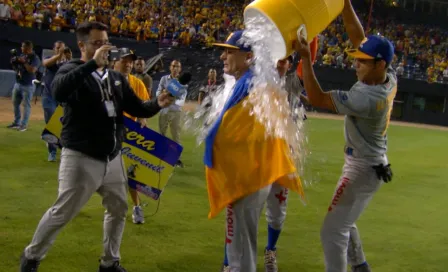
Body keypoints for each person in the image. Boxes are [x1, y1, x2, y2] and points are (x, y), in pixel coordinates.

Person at [19, 21, 174, 272]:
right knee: (63, 212)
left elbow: (136, 108)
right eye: (97, 43)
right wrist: (92, 63)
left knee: (118, 207)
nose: (104, 47)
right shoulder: (73, 69)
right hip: (81, 156)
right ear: (82, 45)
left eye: (106, 42)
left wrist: (158, 102)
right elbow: (59, 91)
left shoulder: (115, 77)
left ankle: (110, 262)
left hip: (112, 157)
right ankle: (32, 256)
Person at [294, 0, 396, 271]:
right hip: (372, 162)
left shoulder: (367, 96)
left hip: (361, 168)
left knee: (332, 231)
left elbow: (317, 98)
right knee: (345, 221)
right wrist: (346, 5)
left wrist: (306, 57)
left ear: (379, 64)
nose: (356, 65)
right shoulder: (388, 77)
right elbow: (359, 38)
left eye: (362, 62)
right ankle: (360, 266)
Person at [206, 30, 305, 272]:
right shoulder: (253, 82)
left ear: (248, 56)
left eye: (229, 51)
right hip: (256, 173)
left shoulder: (252, 84)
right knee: (242, 245)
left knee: (240, 251)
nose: (222, 56)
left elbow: (233, 132)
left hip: (248, 178)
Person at [112, 48, 149, 224]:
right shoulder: (104, 80)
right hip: (106, 134)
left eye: (130, 61)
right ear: (114, 61)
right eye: (124, 60)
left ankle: (136, 207)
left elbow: (143, 108)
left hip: (129, 136)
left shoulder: (137, 84)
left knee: (131, 174)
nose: (128, 64)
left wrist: (142, 119)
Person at [41, 41, 71, 162]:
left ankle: (64, 149)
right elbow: (46, 63)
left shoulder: (68, 63)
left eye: (62, 49)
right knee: (51, 125)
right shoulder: (50, 58)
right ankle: (52, 151)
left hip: (63, 98)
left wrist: (69, 59)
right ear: (54, 49)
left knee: (64, 125)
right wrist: (59, 56)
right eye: (58, 48)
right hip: (49, 97)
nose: (60, 50)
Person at [156, 59, 186, 167]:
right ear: (170, 67)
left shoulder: (183, 82)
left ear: (180, 69)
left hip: (175, 112)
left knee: (176, 136)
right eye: (173, 66)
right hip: (164, 110)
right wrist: (164, 94)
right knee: (161, 134)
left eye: (177, 66)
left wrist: (168, 97)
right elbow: (158, 92)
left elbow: (181, 100)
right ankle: (160, 155)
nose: (175, 68)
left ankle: (177, 159)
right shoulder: (164, 79)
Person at [7, 40, 40, 132]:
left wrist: (24, 62)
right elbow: (16, 68)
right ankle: (16, 122)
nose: (21, 48)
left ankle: (23, 125)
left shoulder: (35, 58)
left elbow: (32, 70)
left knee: (26, 105)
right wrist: (14, 62)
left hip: (28, 85)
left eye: (23, 47)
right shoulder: (22, 56)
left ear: (28, 48)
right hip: (18, 83)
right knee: (15, 103)